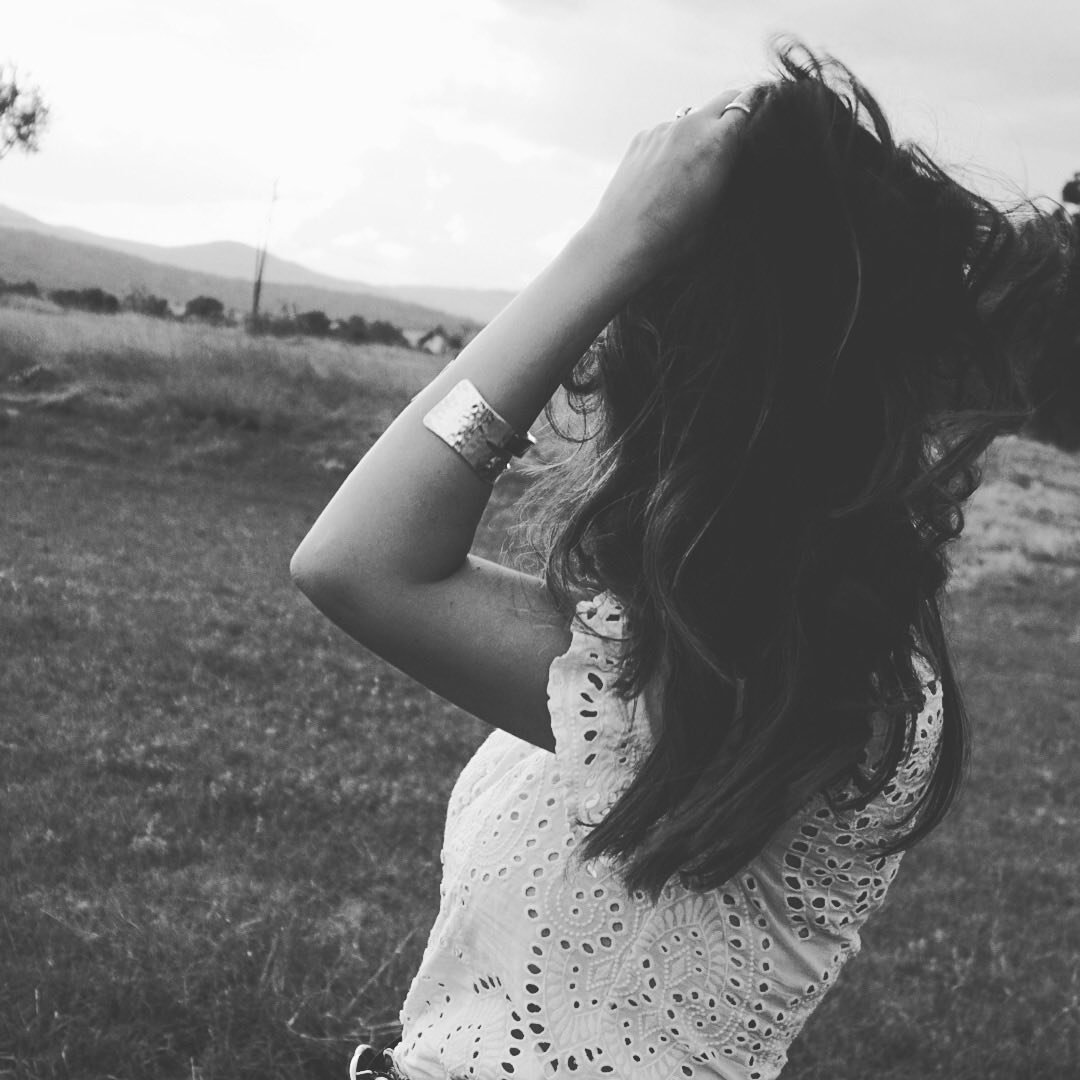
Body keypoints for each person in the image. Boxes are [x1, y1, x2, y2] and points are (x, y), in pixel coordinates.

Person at [291, 43, 1068, 1080]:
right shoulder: (711, 637)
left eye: (626, 322)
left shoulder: (792, 678)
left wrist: (606, 246)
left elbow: (356, 561)